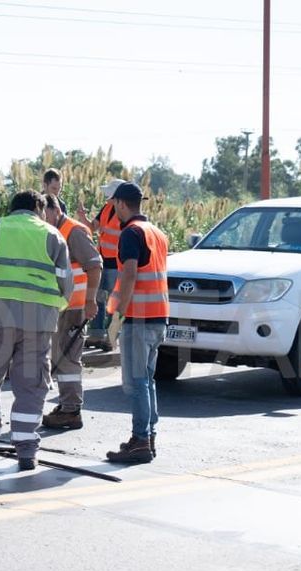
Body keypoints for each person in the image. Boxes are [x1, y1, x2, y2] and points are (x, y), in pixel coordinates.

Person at [0, 190, 73, 471]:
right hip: (37, 322)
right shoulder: (53, 236)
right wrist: (52, 311)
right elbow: (66, 286)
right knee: (31, 385)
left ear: (12, 208)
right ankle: (26, 452)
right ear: (39, 208)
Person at [104, 182, 169, 465]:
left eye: (113, 205)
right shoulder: (157, 232)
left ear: (120, 203)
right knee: (147, 380)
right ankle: (147, 437)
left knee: (136, 382)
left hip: (139, 318)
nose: (112, 210)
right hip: (158, 316)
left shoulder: (131, 233)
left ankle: (140, 440)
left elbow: (129, 274)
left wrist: (118, 315)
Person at [39, 194, 102, 430]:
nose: (41, 219)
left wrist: (90, 301)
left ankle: (71, 410)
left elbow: (94, 265)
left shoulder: (74, 231)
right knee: (61, 356)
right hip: (63, 306)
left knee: (67, 359)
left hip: (74, 307)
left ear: (55, 211)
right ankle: (67, 405)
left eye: (44, 214)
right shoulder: (55, 231)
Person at [80, 178, 125, 352]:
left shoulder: (124, 213)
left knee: (114, 302)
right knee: (97, 297)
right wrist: (83, 218)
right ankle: (96, 335)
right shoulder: (106, 208)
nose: (106, 196)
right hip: (102, 261)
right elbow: (92, 227)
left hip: (117, 263)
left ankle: (111, 338)